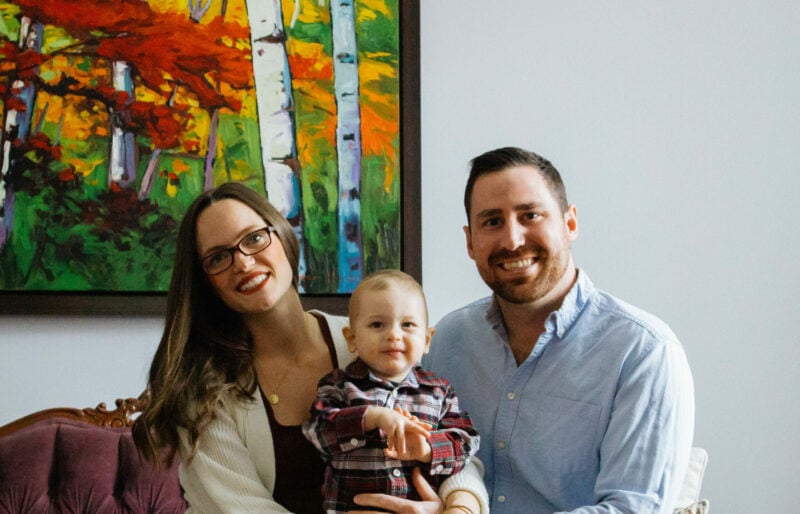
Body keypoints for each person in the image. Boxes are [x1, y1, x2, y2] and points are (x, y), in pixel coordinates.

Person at [132, 182, 488, 514]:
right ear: (206, 281)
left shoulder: (371, 342)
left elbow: (454, 445)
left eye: (254, 238)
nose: (242, 262)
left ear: (283, 235)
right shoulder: (204, 389)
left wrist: (457, 507)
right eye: (217, 258)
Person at [422, 147, 696, 514]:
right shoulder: (445, 342)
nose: (513, 240)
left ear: (569, 224)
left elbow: (632, 509)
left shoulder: (644, 353)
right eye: (492, 222)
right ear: (470, 241)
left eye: (530, 215)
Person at [303, 270, 481, 514]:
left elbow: (467, 441)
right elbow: (317, 430)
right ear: (352, 338)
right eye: (378, 324)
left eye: (407, 325)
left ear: (427, 340)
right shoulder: (338, 386)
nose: (394, 335)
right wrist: (372, 417)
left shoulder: (440, 391)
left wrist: (429, 448)